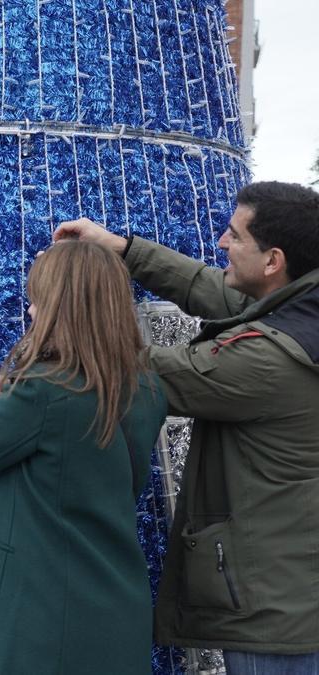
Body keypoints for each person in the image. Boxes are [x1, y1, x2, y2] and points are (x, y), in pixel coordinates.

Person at [53, 181, 319, 674]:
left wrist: (61, 319)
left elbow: (138, 373)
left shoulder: (267, 360)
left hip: (277, 620)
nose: (221, 242)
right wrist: (123, 249)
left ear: (273, 260)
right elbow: (211, 287)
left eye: (235, 236)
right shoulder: (303, 306)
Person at [0, 241, 167, 674]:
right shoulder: (147, 389)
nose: (30, 312)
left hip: (39, 604)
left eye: (37, 301)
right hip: (116, 595)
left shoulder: (48, 387)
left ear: (61, 307)